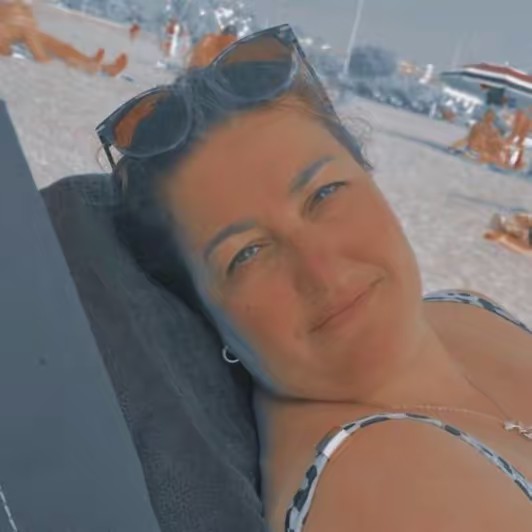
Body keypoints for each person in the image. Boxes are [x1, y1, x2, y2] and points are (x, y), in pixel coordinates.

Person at [95, 25, 532, 531]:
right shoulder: (381, 489)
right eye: (247, 254)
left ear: (369, 177)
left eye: (324, 194)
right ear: (205, 312)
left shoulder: (464, 308)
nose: (323, 271)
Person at [0, 0, 128, 76]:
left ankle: (95, 64)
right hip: (8, 30)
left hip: (14, 27)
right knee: (35, 39)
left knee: (51, 43)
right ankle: (88, 67)